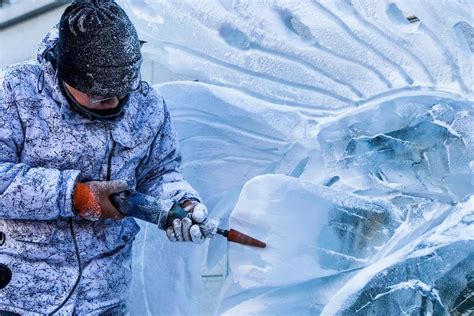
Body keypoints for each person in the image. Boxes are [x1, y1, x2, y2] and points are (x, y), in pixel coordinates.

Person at [0, 0, 210, 314]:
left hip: (104, 299)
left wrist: (182, 202)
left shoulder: (148, 107)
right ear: (65, 73)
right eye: (99, 94)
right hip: (19, 298)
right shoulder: (17, 92)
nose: (113, 101)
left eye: (122, 89)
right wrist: (75, 195)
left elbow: (160, 171)